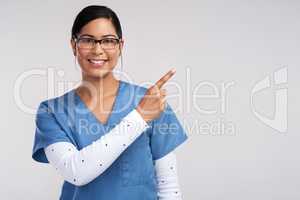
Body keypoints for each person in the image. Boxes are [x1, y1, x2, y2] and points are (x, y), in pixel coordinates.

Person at [32, 5, 188, 200]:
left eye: (108, 41)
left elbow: (169, 187)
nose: (98, 50)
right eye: (87, 40)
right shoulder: (51, 112)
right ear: (74, 45)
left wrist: (144, 112)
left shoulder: (151, 102)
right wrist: (139, 117)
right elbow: (76, 172)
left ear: (120, 46)